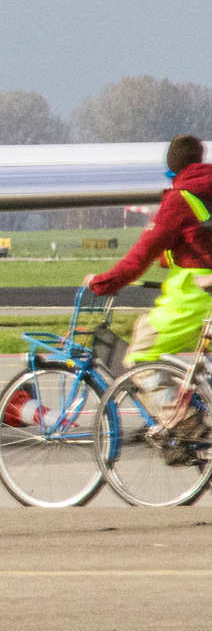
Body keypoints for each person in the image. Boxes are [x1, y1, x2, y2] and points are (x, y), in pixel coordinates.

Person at [86, 134, 212, 441]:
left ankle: (186, 427)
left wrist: (102, 282)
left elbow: (139, 258)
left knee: (140, 357)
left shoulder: (180, 200)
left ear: (172, 168)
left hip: (196, 297)